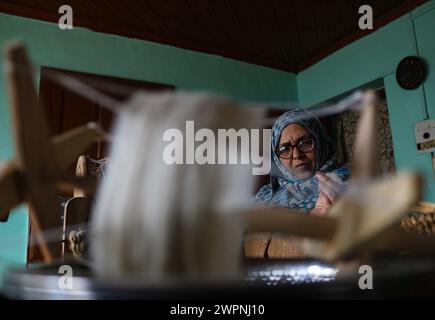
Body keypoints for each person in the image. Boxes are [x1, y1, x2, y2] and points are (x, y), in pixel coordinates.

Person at [254, 108, 350, 215]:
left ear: (320, 142)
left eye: (305, 143)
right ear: (276, 158)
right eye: (285, 149)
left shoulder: (346, 185)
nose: (296, 155)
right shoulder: (265, 196)